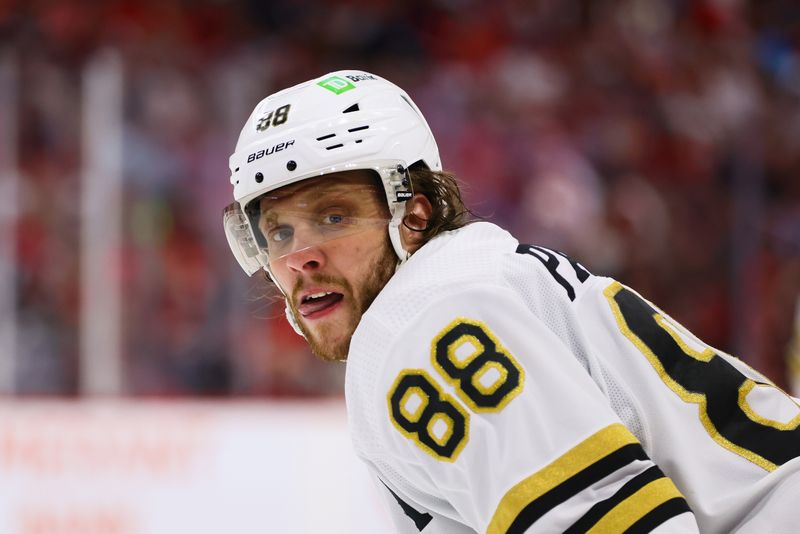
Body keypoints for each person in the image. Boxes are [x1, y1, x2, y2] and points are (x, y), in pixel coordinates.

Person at [223, 70, 800, 533]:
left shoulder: (421, 323)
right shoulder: (473, 279)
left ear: (415, 214)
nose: (299, 257)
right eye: (278, 232)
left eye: (333, 216)